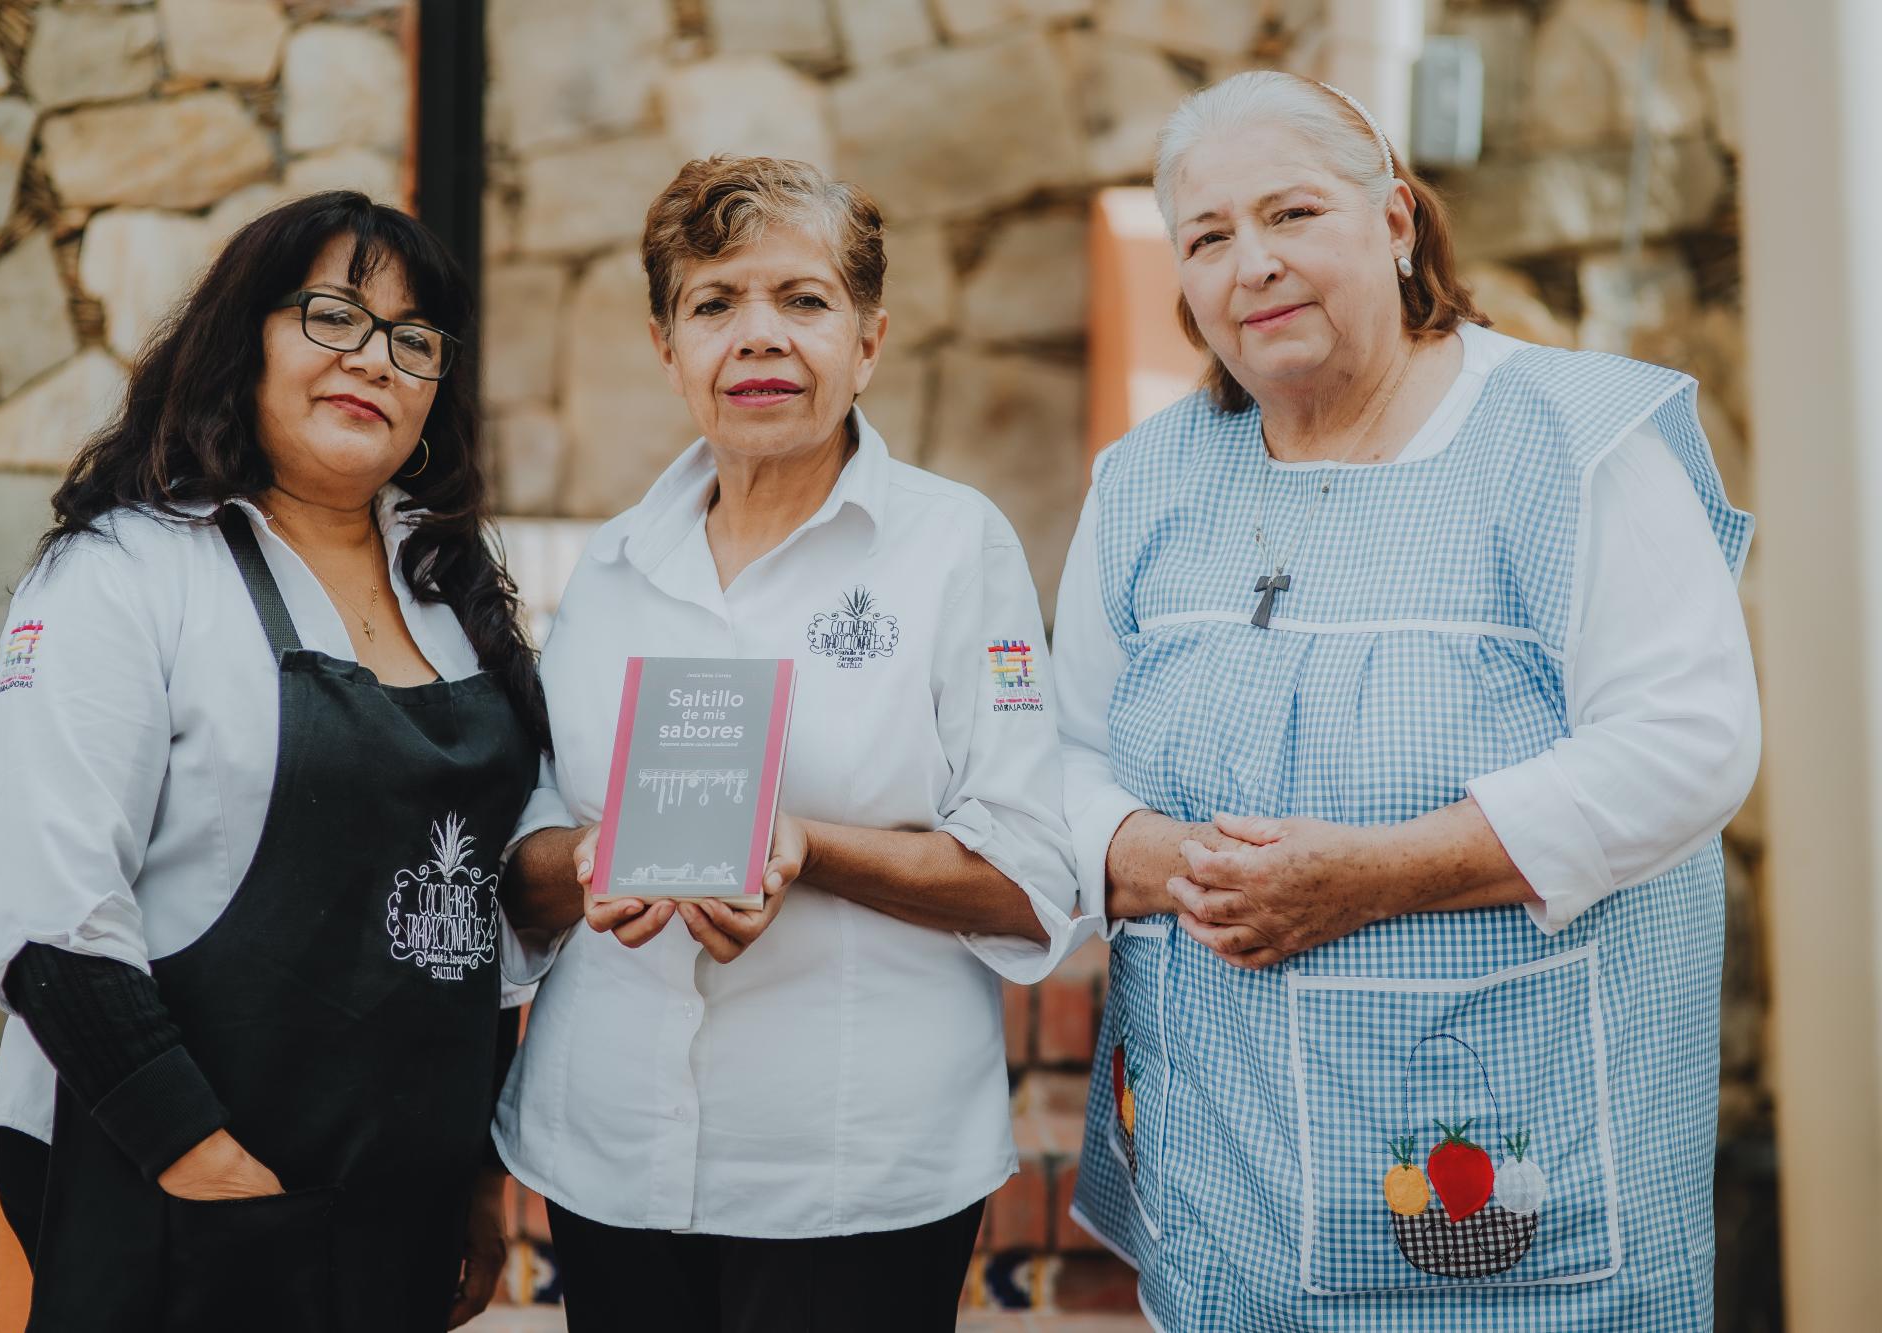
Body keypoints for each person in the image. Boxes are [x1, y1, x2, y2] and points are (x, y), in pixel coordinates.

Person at [1055, 73, 1758, 1330]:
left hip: (1510, 1194)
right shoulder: (1142, 482)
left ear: (1393, 222)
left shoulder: (1569, 442)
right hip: (1227, 1191)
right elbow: (1057, 758)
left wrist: (1373, 873)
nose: (1251, 264)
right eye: (1208, 238)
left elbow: (1685, 746)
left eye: (1291, 214)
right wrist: (1160, 860)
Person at [495, 156, 1084, 1332]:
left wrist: (804, 845)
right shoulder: (608, 570)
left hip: (850, 1170)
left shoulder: (953, 550)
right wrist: (593, 859)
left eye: (801, 301)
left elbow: (1032, 881)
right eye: (714, 305)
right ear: (667, 349)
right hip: (610, 1153)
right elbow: (519, 859)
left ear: (867, 341)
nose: (757, 337)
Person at [0, 192, 546, 1332]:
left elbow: (479, 922)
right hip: (174, 1198)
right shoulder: (125, 573)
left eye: (411, 338)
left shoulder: (455, 601)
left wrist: (471, 1166)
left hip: (392, 1216)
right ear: (243, 342)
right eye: (332, 315)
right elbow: (53, 913)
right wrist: (211, 1172)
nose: (372, 358)